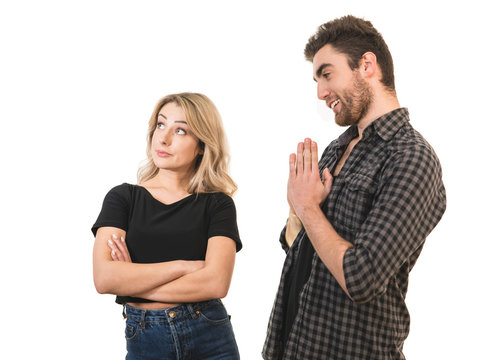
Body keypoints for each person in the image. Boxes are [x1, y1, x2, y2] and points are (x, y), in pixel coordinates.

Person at [263, 16, 446, 360]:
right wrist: (296, 213)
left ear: (366, 65)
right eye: (316, 80)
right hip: (290, 347)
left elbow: (360, 277)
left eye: (327, 74)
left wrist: (307, 209)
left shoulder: (412, 158)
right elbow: (298, 248)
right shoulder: (336, 148)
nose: (320, 92)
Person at [92, 92, 242, 359]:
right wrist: (183, 267)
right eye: (161, 125)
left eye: (181, 130)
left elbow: (216, 284)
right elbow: (104, 279)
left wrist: (131, 280)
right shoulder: (123, 198)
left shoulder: (218, 204)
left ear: (201, 145)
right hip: (147, 336)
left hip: (210, 336)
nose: (163, 138)